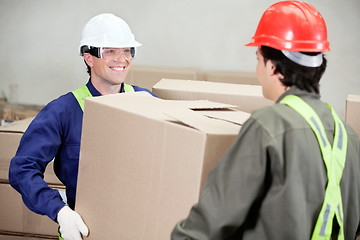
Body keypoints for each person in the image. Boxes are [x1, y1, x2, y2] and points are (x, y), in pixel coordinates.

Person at [171, 1, 360, 239]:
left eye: (257, 57)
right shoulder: (348, 136)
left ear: (272, 66)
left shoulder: (268, 124)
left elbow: (216, 216)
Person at [9, 13, 156, 240]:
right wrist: (60, 211)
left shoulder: (147, 102)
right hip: (87, 231)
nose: (122, 58)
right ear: (89, 58)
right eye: (110, 51)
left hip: (141, 228)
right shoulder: (63, 111)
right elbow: (22, 168)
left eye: (127, 50)